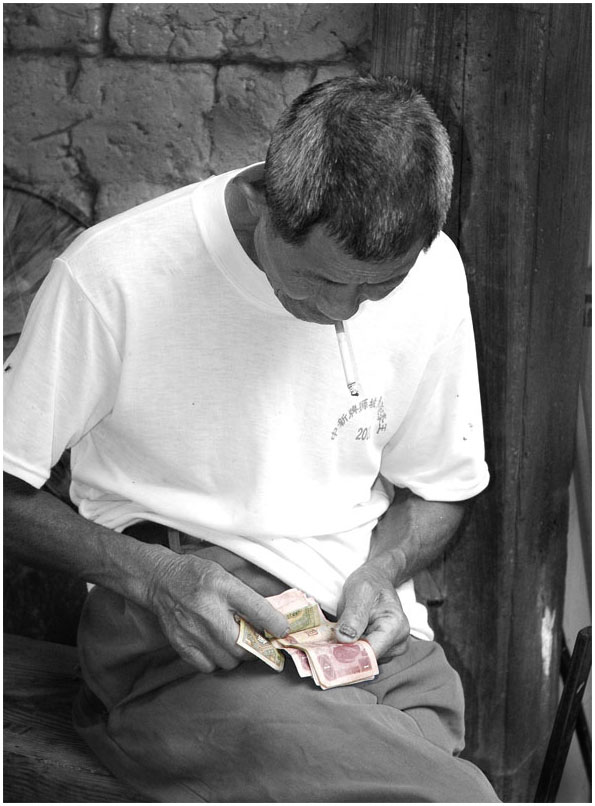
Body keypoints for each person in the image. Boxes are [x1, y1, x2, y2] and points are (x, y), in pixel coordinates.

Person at [4, 75, 500, 802]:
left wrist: (381, 570)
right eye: (318, 280)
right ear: (263, 202)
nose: (341, 311)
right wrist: (154, 578)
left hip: (365, 636)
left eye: (376, 288)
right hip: (186, 635)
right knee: (448, 796)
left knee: (419, 744)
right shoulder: (113, 274)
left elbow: (441, 488)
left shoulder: (436, 271)